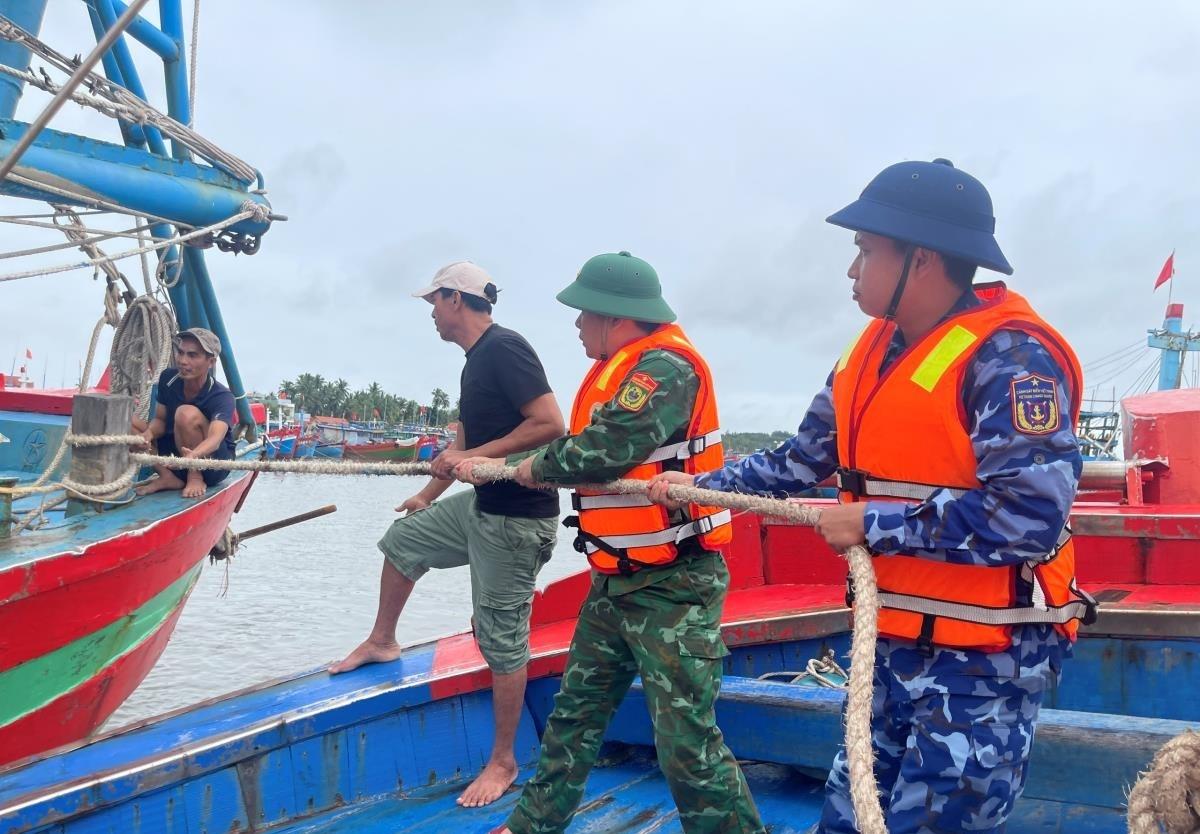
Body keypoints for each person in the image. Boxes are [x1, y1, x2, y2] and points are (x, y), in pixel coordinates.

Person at [649, 159, 1096, 834]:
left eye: (865, 251)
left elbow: (1027, 518)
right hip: (890, 644)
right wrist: (702, 487)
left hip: (984, 663)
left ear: (922, 259)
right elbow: (802, 460)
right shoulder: (869, 353)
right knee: (848, 815)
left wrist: (873, 526)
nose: (852, 270)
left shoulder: (1011, 359)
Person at [457, 251, 765, 834]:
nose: (577, 324)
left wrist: (533, 466)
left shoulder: (664, 370)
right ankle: (532, 827)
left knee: (687, 743)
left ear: (616, 317)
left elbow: (607, 450)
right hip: (615, 582)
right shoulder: (620, 368)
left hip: (673, 586)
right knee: (573, 716)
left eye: (584, 313)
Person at [330, 261, 564, 810]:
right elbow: (463, 444)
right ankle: (383, 641)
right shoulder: (474, 361)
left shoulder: (505, 348)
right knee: (403, 540)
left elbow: (551, 424)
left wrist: (472, 456)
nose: (431, 313)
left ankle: (503, 761)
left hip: (517, 520)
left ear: (456, 298)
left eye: (433, 301)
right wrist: (427, 494)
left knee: (499, 638)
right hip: (481, 504)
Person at [133, 327, 235, 499]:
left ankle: (194, 476)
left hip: (211, 466)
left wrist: (192, 457)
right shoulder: (168, 378)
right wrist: (148, 434)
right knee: (126, 422)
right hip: (176, 457)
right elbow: (160, 420)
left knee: (185, 413)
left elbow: (215, 440)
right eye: (181, 353)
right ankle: (167, 476)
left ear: (211, 362)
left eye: (192, 355)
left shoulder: (222, 396)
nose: (182, 360)